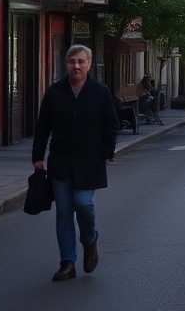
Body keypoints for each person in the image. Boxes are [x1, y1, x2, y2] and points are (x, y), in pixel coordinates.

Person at [33, 45, 120, 282]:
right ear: (66, 64)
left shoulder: (100, 92)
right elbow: (43, 127)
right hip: (60, 162)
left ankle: (90, 241)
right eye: (72, 61)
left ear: (89, 64)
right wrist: (38, 158)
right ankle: (67, 263)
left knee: (83, 204)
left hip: (89, 162)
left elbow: (112, 124)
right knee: (63, 214)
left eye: (81, 61)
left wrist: (105, 152)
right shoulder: (55, 92)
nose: (77, 66)